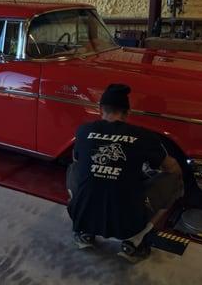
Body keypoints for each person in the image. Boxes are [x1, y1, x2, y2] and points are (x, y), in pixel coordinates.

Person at [67, 83, 183, 262]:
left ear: (100, 110)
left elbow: (78, 161)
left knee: (74, 168)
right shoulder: (144, 136)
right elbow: (171, 168)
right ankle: (134, 242)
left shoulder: (83, 131)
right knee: (175, 179)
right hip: (127, 224)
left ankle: (84, 232)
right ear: (128, 113)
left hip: (81, 216)